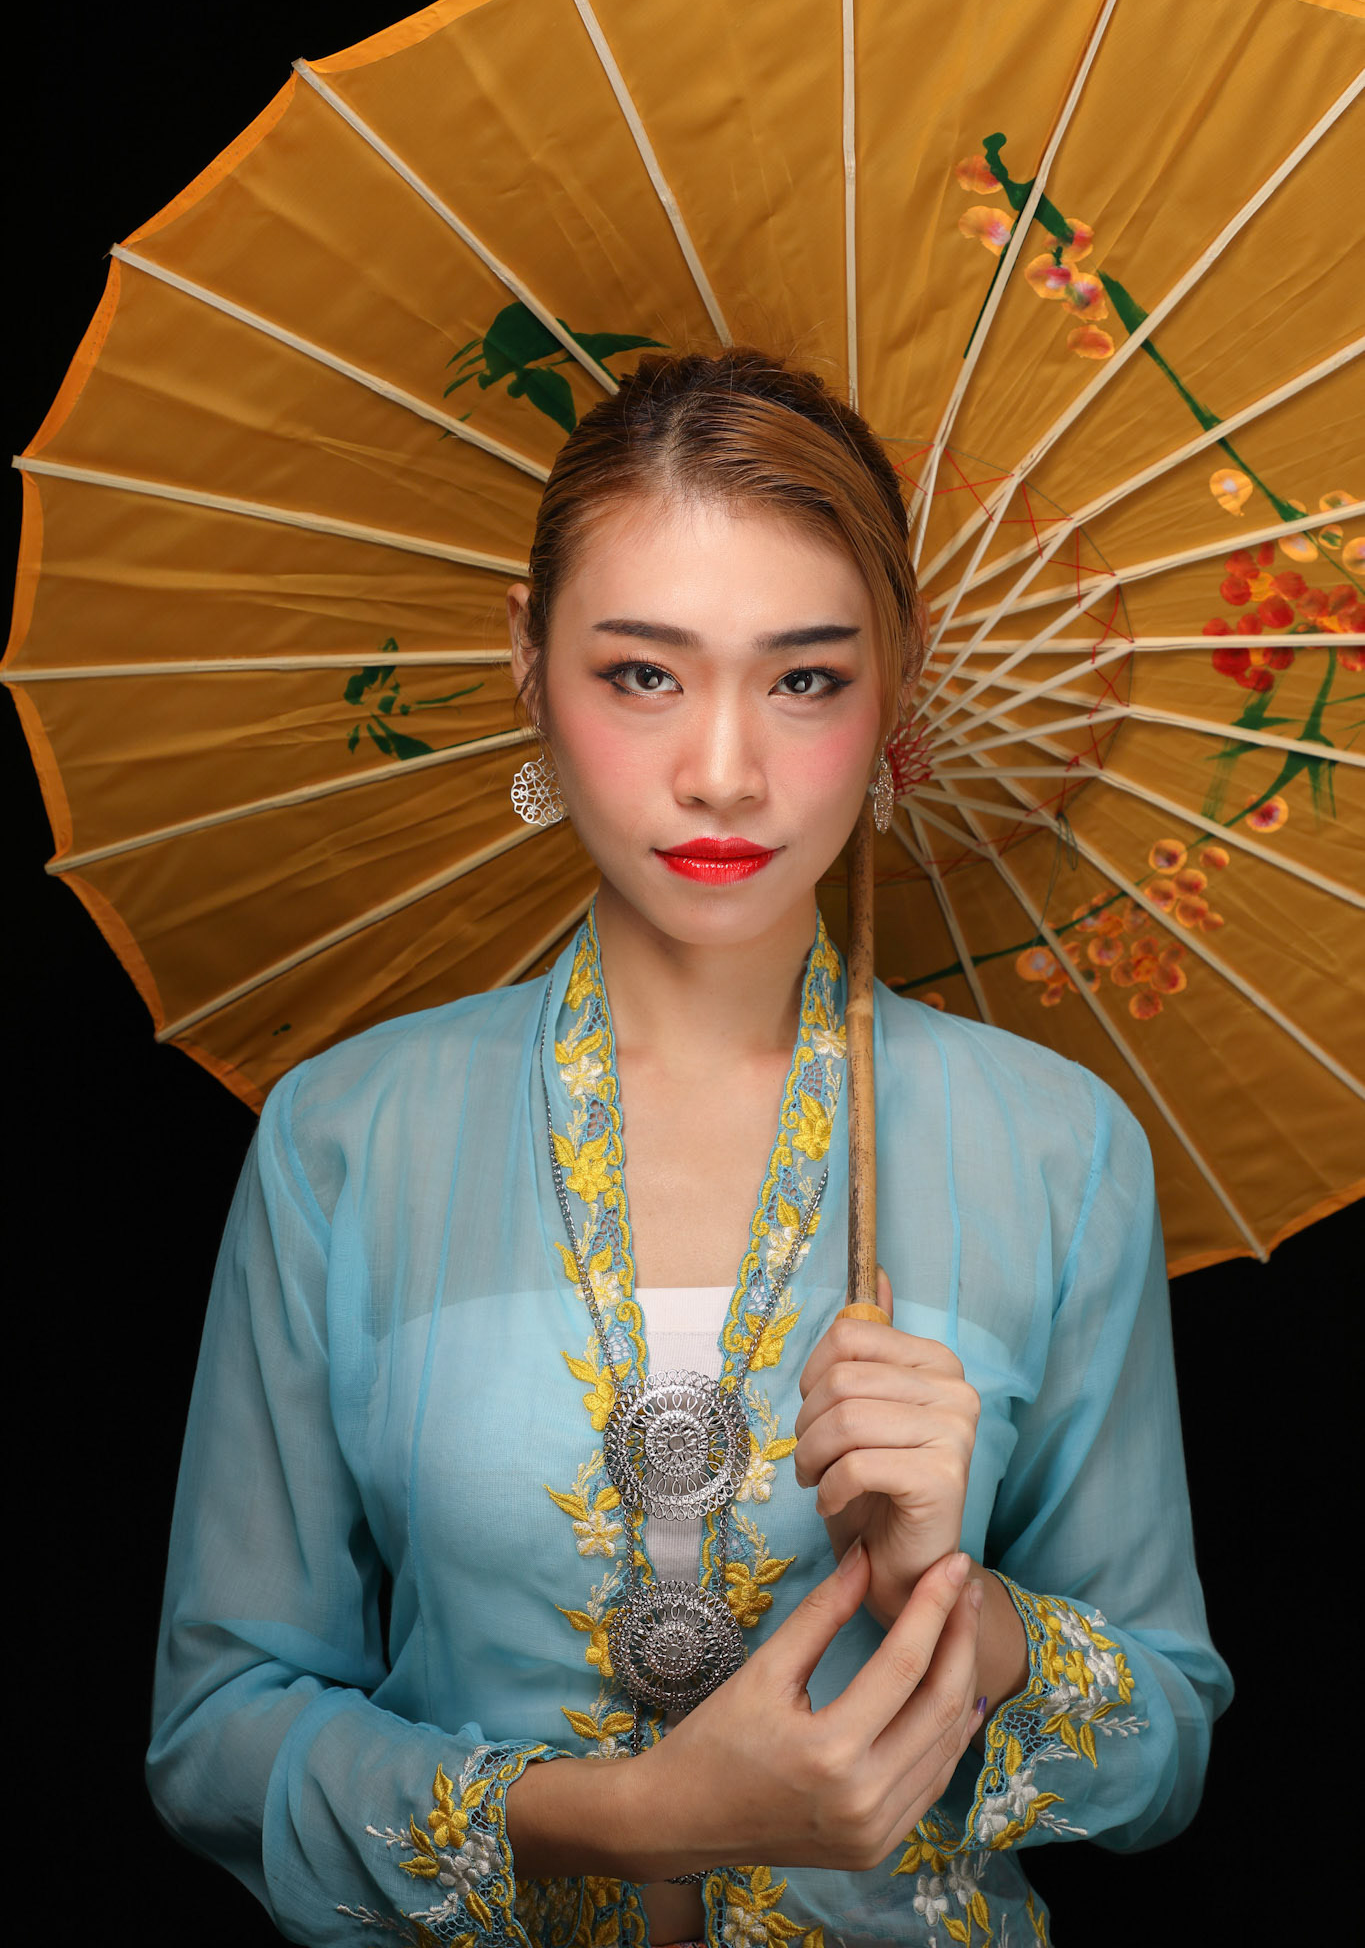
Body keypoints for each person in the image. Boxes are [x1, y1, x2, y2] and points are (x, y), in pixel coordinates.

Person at [147, 349, 1232, 1948]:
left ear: (896, 682)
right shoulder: (348, 1138)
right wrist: (625, 1819)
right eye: (641, 673)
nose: (723, 767)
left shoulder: (1055, 1146)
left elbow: (1163, 1748)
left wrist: (967, 1612)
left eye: (804, 679)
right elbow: (216, 1732)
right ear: (527, 664)